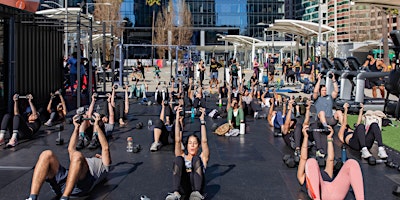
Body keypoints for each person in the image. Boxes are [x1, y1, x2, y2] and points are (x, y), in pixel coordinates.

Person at [26, 113, 111, 200]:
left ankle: (64, 198)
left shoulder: (105, 165)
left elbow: (105, 147)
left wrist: (96, 126)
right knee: (46, 154)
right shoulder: (80, 161)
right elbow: (71, 149)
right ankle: (32, 197)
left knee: (77, 155)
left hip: (82, 186)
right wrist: (76, 128)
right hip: (65, 183)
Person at [297, 124, 365, 200]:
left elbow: (330, 159)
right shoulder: (303, 177)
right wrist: (305, 137)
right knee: (311, 161)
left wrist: (329, 138)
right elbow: (303, 158)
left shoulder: (327, 173)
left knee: (352, 163)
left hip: (334, 192)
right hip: (319, 195)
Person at [165, 107, 209, 200]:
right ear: (187, 146)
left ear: (198, 146)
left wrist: (202, 121)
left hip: (196, 187)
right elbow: (177, 140)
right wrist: (177, 119)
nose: (192, 145)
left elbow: (204, 141)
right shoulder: (182, 156)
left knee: (196, 159)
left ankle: (197, 194)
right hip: (184, 187)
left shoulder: (202, 158)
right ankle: (176, 193)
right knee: (178, 159)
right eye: (190, 143)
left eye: (195, 143)